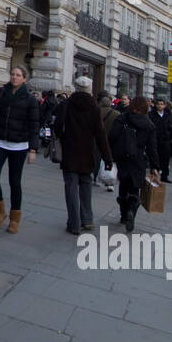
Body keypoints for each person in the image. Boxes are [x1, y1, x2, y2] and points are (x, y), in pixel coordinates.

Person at [0, 65, 41, 233]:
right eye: (12, 74)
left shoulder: (30, 99)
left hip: (19, 145)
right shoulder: (1, 93)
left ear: (24, 79)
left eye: (18, 75)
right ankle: (0, 211)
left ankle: (15, 218)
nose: (14, 77)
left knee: (14, 182)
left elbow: (34, 125)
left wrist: (33, 150)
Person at [53, 75, 112, 234]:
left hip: (70, 151)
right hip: (87, 152)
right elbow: (100, 134)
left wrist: (63, 137)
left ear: (76, 88)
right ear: (90, 90)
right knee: (86, 185)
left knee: (71, 187)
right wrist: (107, 158)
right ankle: (87, 220)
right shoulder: (94, 107)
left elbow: (57, 126)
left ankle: (74, 223)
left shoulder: (67, 104)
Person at [110, 96, 160, 232]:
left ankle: (123, 214)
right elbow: (152, 147)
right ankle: (132, 210)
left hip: (123, 157)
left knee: (123, 185)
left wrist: (111, 154)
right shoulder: (149, 125)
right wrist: (155, 166)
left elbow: (112, 136)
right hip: (138, 158)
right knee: (134, 187)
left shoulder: (122, 118)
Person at [96, 93, 121, 190]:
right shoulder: (116, 114)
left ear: (101, 103)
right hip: (111, 139)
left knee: (97, 157)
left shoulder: (96, 112)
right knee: (109, 159)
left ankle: (96, 177)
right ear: (110, 103)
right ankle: (109, 182)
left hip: (97, 138)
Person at [148, 100, 172, 183]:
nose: (160, 106)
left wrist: (170, 135)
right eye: (158, 104)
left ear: (165, 105)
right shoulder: (151, 114)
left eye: (162, 104)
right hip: (155, 139)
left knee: (166, 158)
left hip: (165, 139)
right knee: (155, 157)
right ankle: (153, 174)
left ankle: (165, 175)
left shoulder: (168, 115)